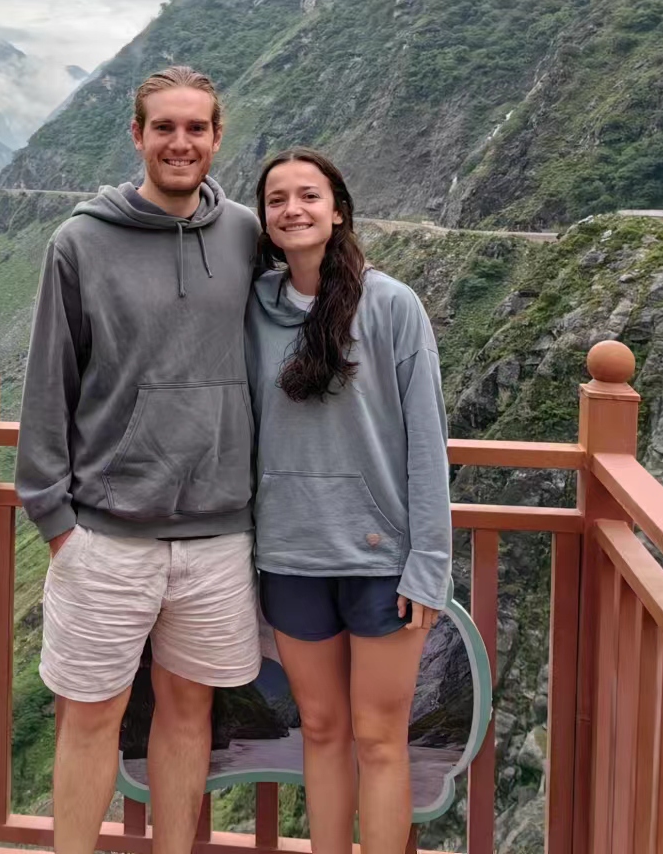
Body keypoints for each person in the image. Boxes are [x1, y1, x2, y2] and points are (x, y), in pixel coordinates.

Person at [16, 66, 262, 854]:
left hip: (218, 533)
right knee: (91, 720)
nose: (180, 143)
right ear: (137, 135)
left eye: (196, 128)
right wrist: (58, 523)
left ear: (217, 137)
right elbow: (49, 381)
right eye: (164, 127)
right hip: (106, 536)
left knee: (190, 716)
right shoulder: (80, 242)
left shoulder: (246, 234)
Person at [247, 148, 452, 854]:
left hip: (381, 563)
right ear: (264, 219)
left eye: (309, 195)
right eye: (277, 199)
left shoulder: (391, 305)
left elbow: (427, 442)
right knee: (322, 729)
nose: (293, 210)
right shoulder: (255, 311)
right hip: (290, 555)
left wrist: (428, 563)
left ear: (338, 210)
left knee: (380, 739)